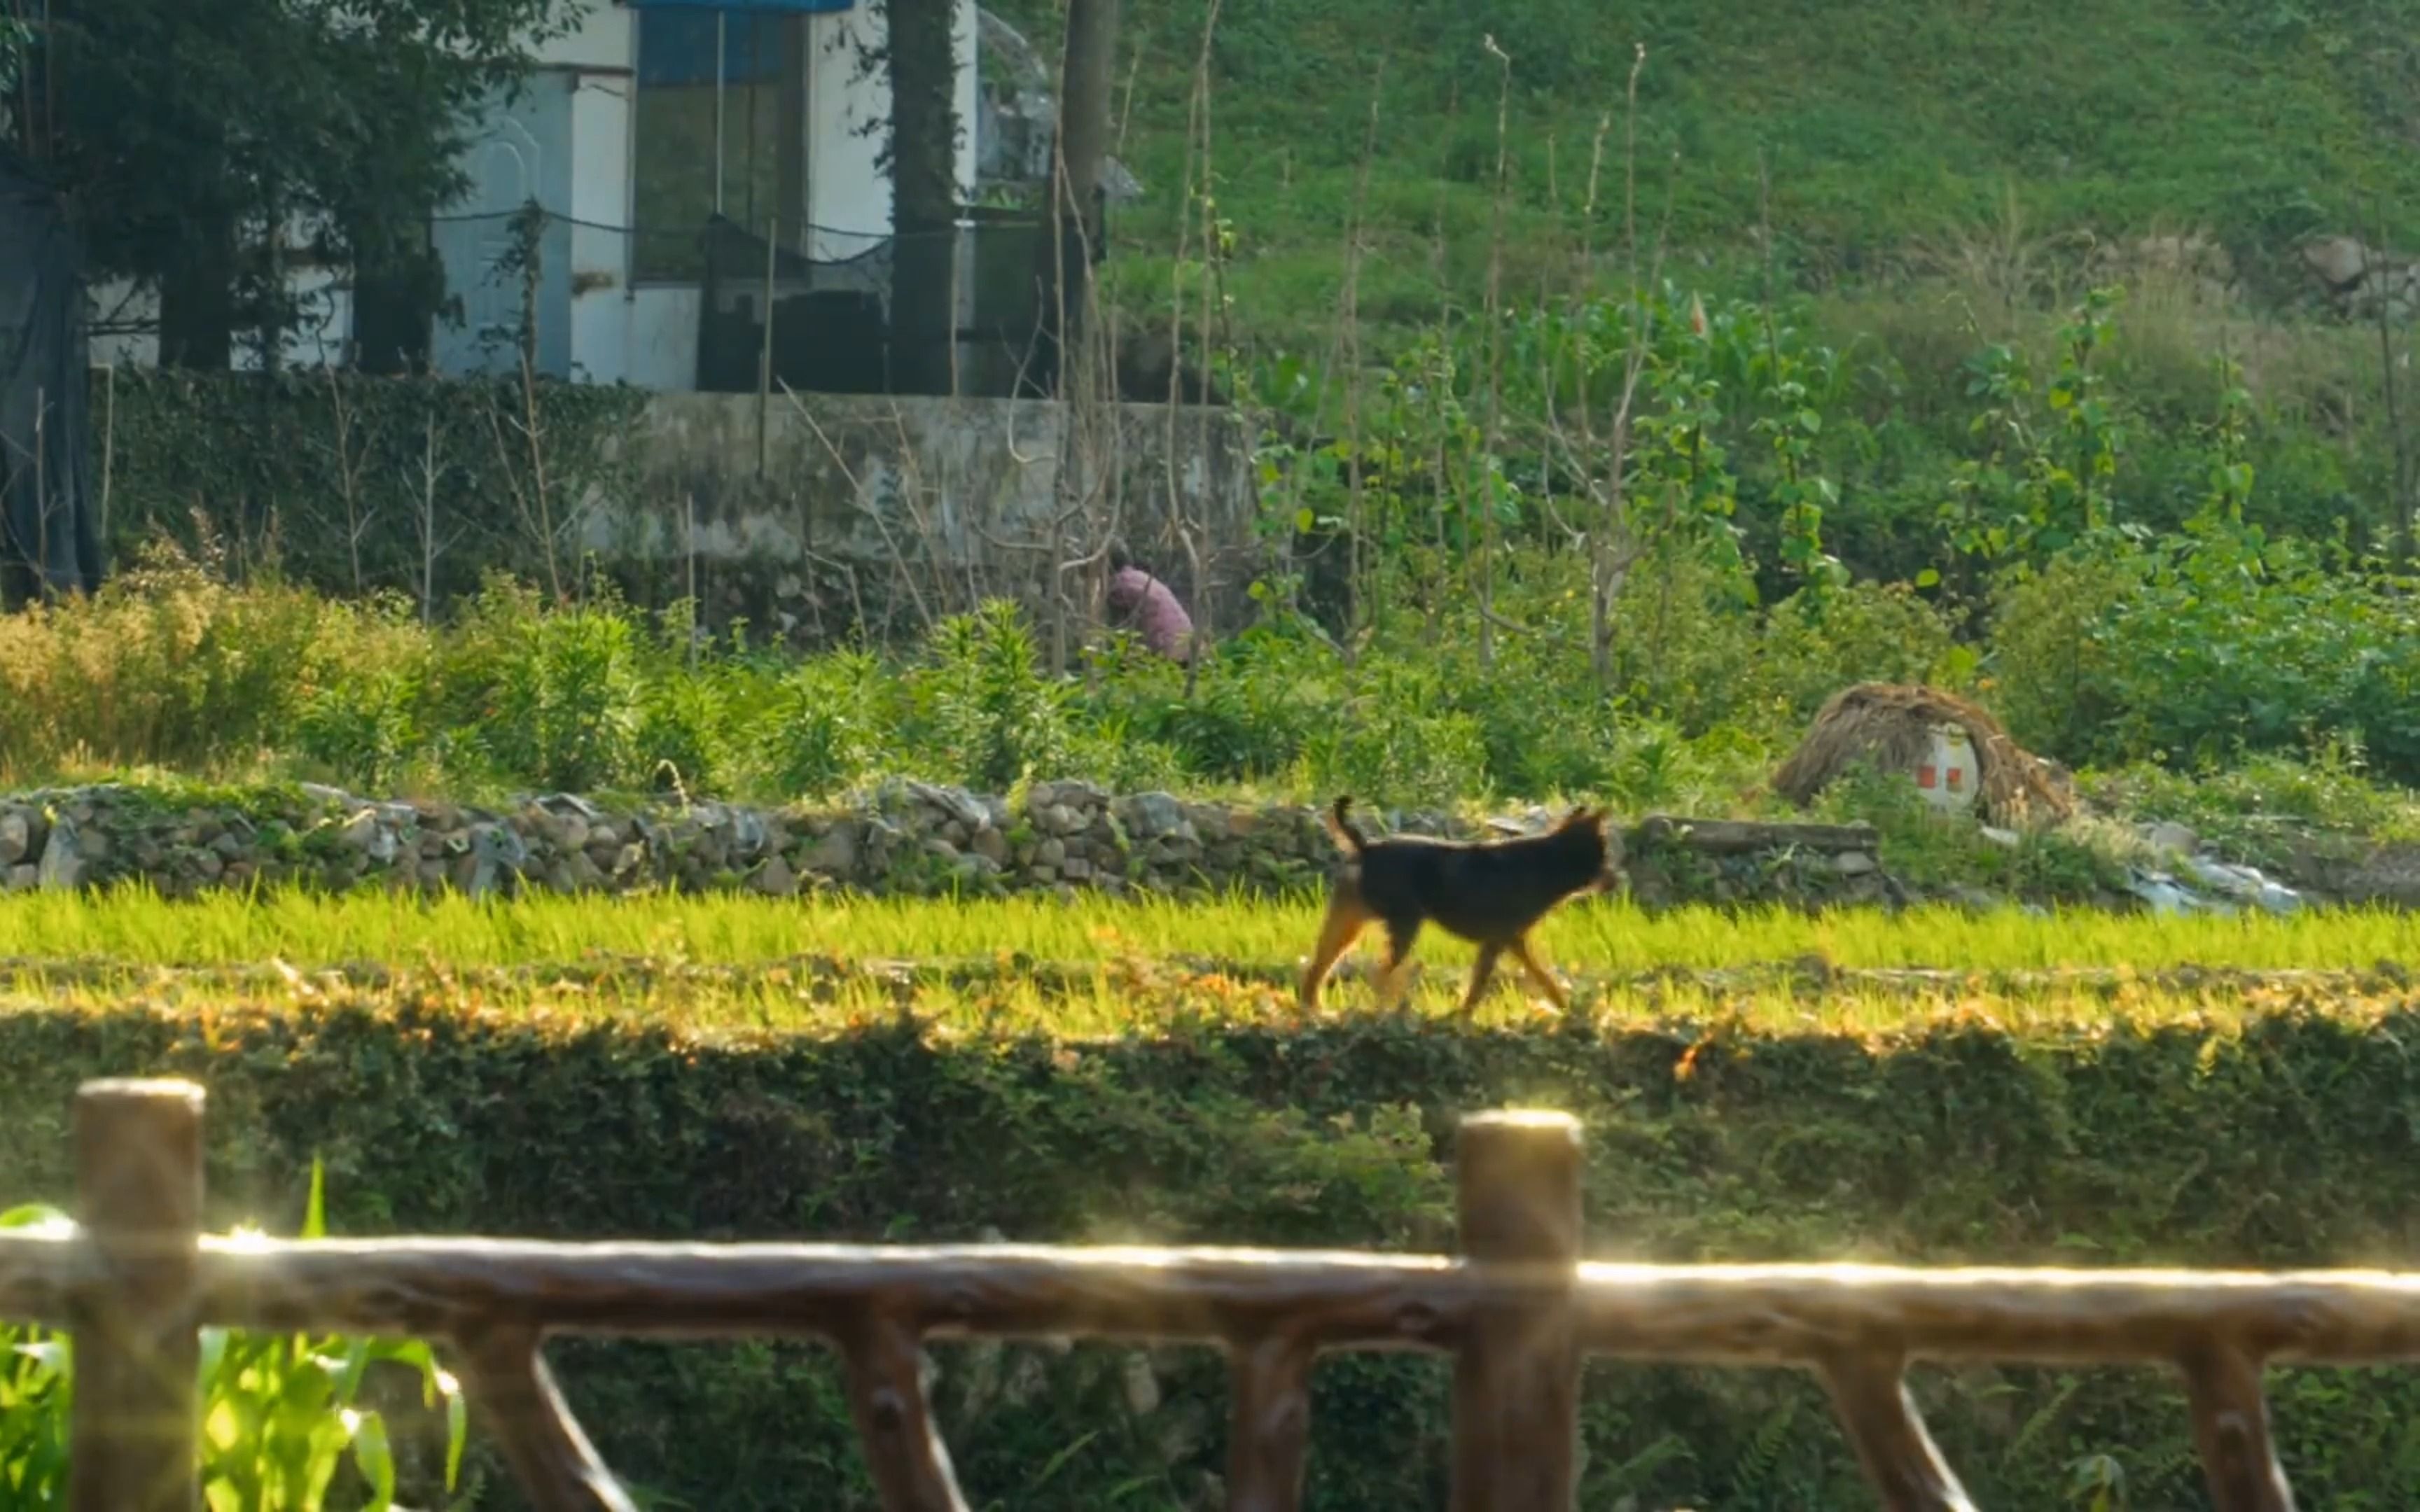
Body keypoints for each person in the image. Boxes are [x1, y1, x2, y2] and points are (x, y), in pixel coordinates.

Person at [1105, 545, 1197, 664]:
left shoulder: (1119, 586)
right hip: (1190, 646)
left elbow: (1117, 633)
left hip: (1167, 651)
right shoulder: (1140, 577)